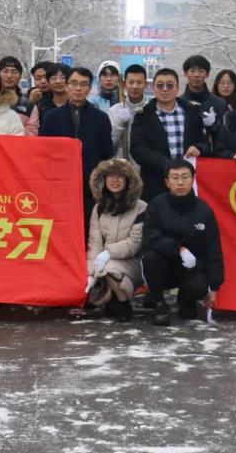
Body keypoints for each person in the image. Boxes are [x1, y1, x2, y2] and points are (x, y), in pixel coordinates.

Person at [141, 158, 223, 326]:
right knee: (150, 258)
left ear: (193, 179)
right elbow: (151, 236)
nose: (180, 182)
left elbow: (213, 249)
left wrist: (214, 288)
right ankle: (159, 303)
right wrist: (179, 249)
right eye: (175, 177)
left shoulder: (204, 210)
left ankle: (186, 301)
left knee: (198, 287)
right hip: (163, 264)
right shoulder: (156, 205)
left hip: (191, 268)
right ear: (167, 182)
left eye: (185, 177)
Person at [42, 67, 114, 226]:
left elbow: (106, 152)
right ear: (66, 86)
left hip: (90, 186)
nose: (78, 88)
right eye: (74, 83)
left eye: (83, 84)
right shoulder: (51, 117)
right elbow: (44, 152)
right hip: (59, 184)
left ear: (89, 88)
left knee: (88, 226)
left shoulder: (101, 118)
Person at [130, 68, 209, 201]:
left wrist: (199, 147)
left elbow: (205, 141)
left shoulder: (192, 111)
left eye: (170, 85)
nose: (165, 89)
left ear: (177, 88)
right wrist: (165, 163)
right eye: (160, 85)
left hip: (188, 182)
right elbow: (137, 149)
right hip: (155, 182)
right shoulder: (143, 115)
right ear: (153, 88)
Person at [87, 159, 147, 322]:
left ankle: (123, 304)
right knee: (93, 279)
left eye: (120, 176)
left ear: (128, 181)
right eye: (110, 176)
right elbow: (95, 241)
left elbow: (135, 242)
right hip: (103, 260)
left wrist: (108, 253)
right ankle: (110, 297)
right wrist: (90, 273)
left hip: (132, 261)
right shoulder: (99, 207)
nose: (115, 180)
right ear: (103, 180)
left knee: (109, 269)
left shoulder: (141, 207)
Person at [107, 64, 150, 163]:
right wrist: (118, 124)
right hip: (121, 166)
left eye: (139, 82)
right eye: (131, 82)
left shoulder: (150, 109)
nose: (135, 86)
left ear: (146, 84)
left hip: (145, 166)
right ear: (124, 84)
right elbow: (108, 144)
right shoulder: (114, 110)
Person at [178, 55, 226, 143]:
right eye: (192, 71)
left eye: (201, 71)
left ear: (207, 74)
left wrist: (214, 125)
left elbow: (226, 137)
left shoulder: (220, 104)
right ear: (185, 73)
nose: (196, 75)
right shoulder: (177, 104)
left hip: (211, 151)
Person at [26, 62, 69, 135]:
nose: (43, 82)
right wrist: (30, 104)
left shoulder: (74, 101)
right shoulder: (31, 99)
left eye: (45, 77)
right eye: (38, 78)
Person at [0, 56, 35, 129]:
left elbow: (32, 131)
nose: (9, 76)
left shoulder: (28, 104)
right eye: (5, 71)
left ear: (20, 76)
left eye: (14, 72)